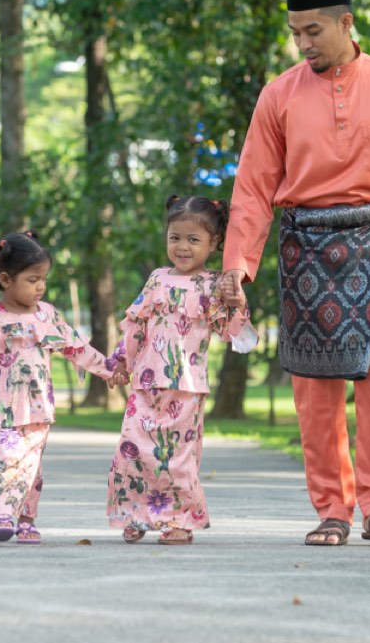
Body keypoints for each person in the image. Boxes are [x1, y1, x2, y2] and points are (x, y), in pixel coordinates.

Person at [219, 0, 370, 547]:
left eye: (313, 30)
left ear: (347, 23)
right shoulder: (279, 94)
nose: (304, 43)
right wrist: (236, 268)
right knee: (315, 390)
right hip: (306, 248)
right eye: (296, 33)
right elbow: (253, 186)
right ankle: (332, 509)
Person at [0, 232, 123, 544]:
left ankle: (27, 519)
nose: (40, 286)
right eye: (33, 279)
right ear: (6, 279)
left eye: (43, 279)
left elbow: (77, 347)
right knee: (2, 459)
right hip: (2, 407)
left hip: (38, 407)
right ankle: (2, 515)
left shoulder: (47, 315)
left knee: (32, 466)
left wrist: (109, 370)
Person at [105, 195, 258, 545]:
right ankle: (137, 513)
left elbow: (237, 335)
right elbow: (135, 326)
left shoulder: (214, 286)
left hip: (186, 388)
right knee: (133, 450)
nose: (183, 247)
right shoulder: (157, 280)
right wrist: (119, 364)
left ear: (213, 243)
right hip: (145, 384)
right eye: (175, 237)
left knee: (177, 458)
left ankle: (179, 521)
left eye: (193, 239)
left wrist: (237, 304)